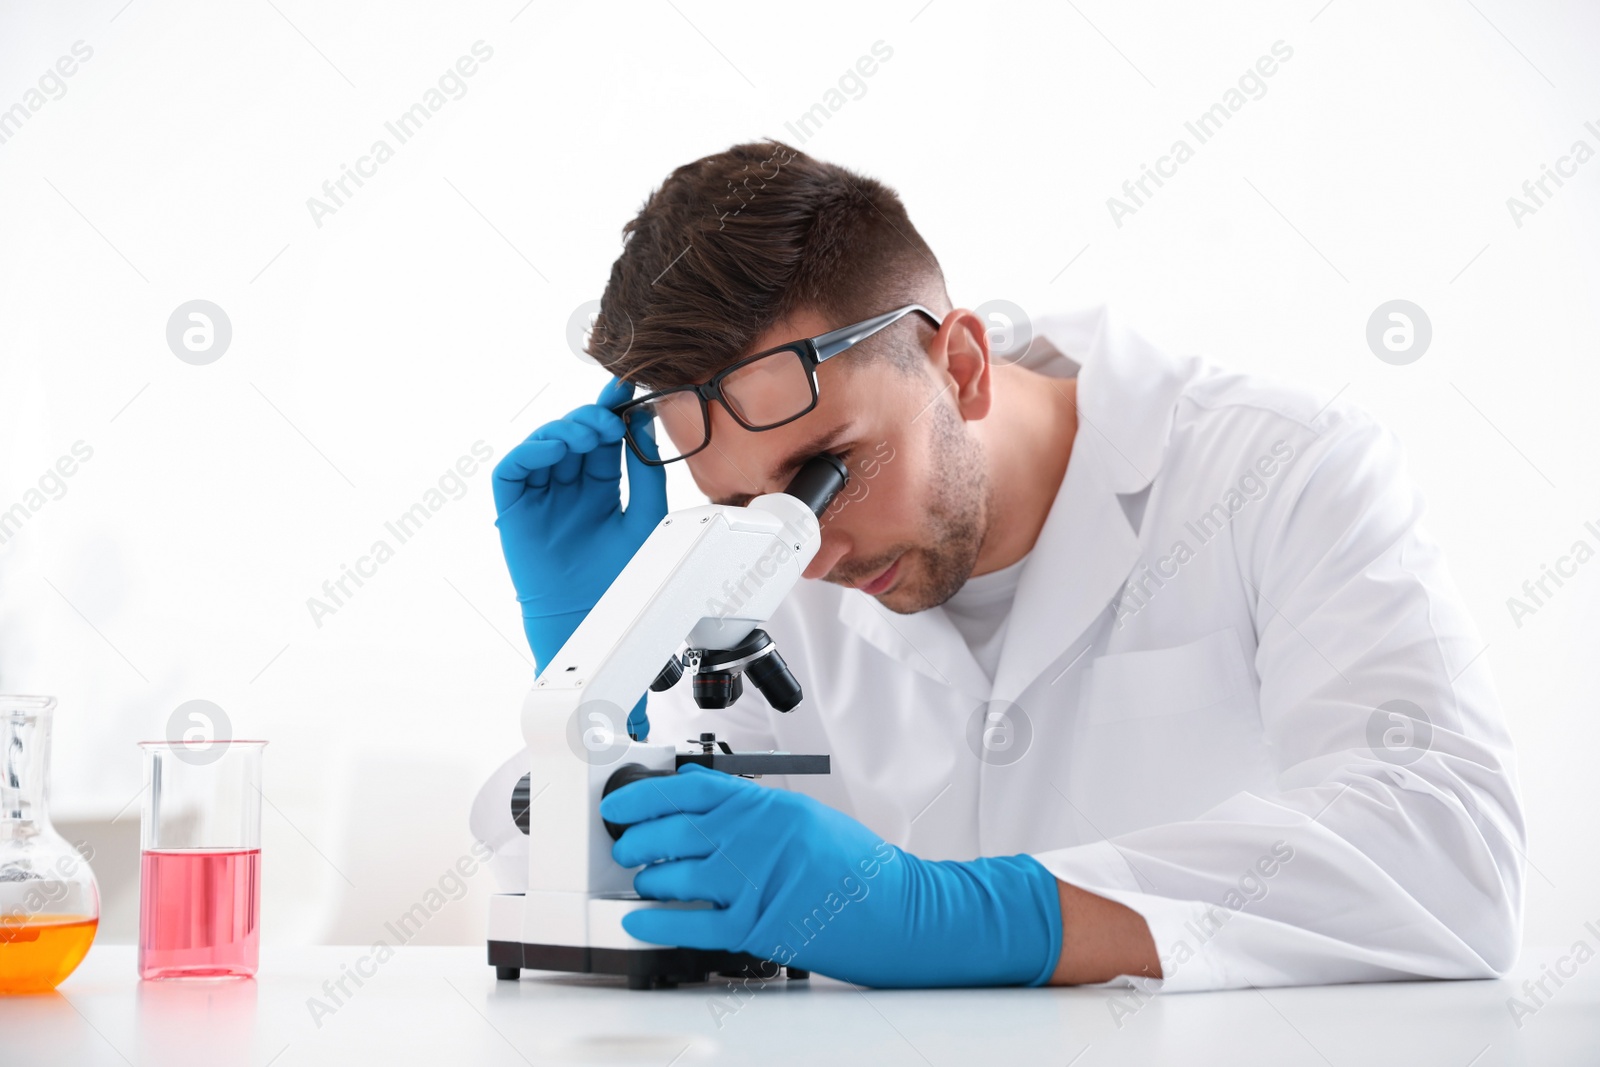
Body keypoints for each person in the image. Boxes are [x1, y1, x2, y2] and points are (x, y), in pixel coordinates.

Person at [471, 140, 1524, 993]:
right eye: (743, 507)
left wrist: (968, 917)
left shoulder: (1280, 472)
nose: (806, 553)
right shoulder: (769, 571)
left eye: (823, 473)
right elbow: (637, 898)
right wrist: (599, 673)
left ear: (961, 365)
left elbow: (1449, 851)